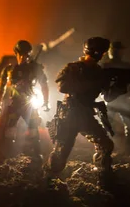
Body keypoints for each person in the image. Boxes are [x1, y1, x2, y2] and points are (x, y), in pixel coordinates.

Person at [47, 37, 125, 179]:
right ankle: (50, 182)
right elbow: (62, 86)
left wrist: (119, 88)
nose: (102, 55)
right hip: (69, 114)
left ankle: (101, 174)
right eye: (101, 52)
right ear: (95, 51)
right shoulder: (74, 68)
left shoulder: (99, 72)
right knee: (61, 153)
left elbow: (107, 97)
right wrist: (92, 83)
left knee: (106, 145)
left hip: (85, 114)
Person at [0, 40, 49, 159]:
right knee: (9, 129)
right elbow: (1, 87)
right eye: (22, 54)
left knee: (33, 128)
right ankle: (7, 153)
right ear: (17, 53)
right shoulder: (9, 69)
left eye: (27, 54)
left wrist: (46, 102)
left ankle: (35, 154)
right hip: (14, 103)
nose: (24, 57)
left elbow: (44, 84)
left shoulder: (34, 68)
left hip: (29, 103)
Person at [101, 41, 130, 145]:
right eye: (116, 50)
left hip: (117, 100)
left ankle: (114, 149)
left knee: (114, 126)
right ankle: (112, 149)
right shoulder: (108, 67)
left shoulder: (105, 67)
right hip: (115, 100)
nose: (117, 52)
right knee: (116, 126)